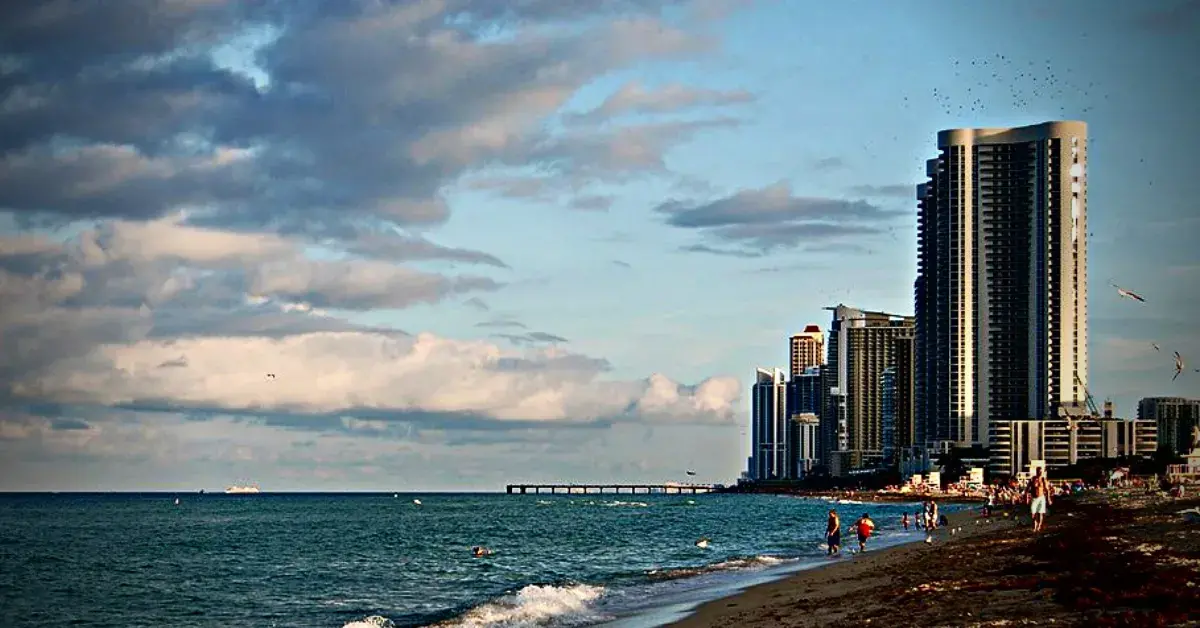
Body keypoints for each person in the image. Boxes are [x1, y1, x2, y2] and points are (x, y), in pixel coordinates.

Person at [1028, 467, 1052, 533]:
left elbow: (1047, 490)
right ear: (1036, 471)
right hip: (1034, 498)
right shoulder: (1033, 479)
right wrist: (1026, 497)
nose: (1040, 472)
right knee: (1033, 513)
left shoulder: (1043, 479)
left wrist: (1049, 499)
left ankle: (1039, 526)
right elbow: (1027, 488)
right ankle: (1035, 526)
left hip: (1041, 497)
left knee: (1040, 513)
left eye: (1041, 471)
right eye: (1039, 471)